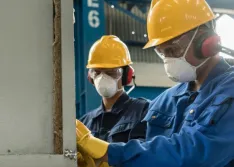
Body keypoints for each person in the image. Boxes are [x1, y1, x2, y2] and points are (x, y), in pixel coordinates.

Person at [76, 0, 234, 167]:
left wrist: (111, 153)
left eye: (173, 50)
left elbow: (195, 153)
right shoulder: (165, 100)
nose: (169, 60)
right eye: (162, 53)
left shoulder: (228, 90)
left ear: (206, 42)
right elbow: (144, 149)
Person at [77, 35, 150, 166]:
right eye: (97, 72)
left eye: (111, 72)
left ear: (126, 76)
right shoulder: (85, 122)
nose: (103, 78)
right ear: (90, 77)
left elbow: (148, 155)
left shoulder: (144, 111)